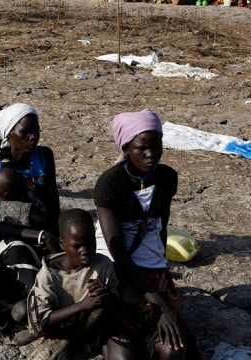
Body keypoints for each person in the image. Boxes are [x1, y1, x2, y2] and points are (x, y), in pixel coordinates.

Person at [95, 109, 193, 360]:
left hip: (152, 270)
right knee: (123, 355)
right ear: (126, 148)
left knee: (173, 351)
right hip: (120, 272)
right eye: (142, 148)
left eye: (157, 146)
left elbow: (159, 229)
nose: (151, 155)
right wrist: (158, 302)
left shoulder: (167, 178)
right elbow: (118, 252)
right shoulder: (110, 184)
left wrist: (163, 280)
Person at [0, 103, 61, 290]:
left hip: (41, 227)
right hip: (2, 233)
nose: (33, 137)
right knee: (21, 251)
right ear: (9, 134)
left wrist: (53, 235)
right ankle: (37, 306)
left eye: (36, 131)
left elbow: (53, 205)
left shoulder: (44, 156)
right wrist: (40, 236)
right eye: (26, 132)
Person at [14, 209, 119, 359]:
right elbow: (44, 321)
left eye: (90, 243)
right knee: (19, 311)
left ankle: (69, 342)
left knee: (104, 304)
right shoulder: (48, 274)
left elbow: (115, 300)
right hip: (57, 319)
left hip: (84, 322)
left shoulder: (102, 264)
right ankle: (36, 332)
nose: (85, 251)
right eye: (77, 246)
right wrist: (81, 305)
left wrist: (103, 292)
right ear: (62, 244)